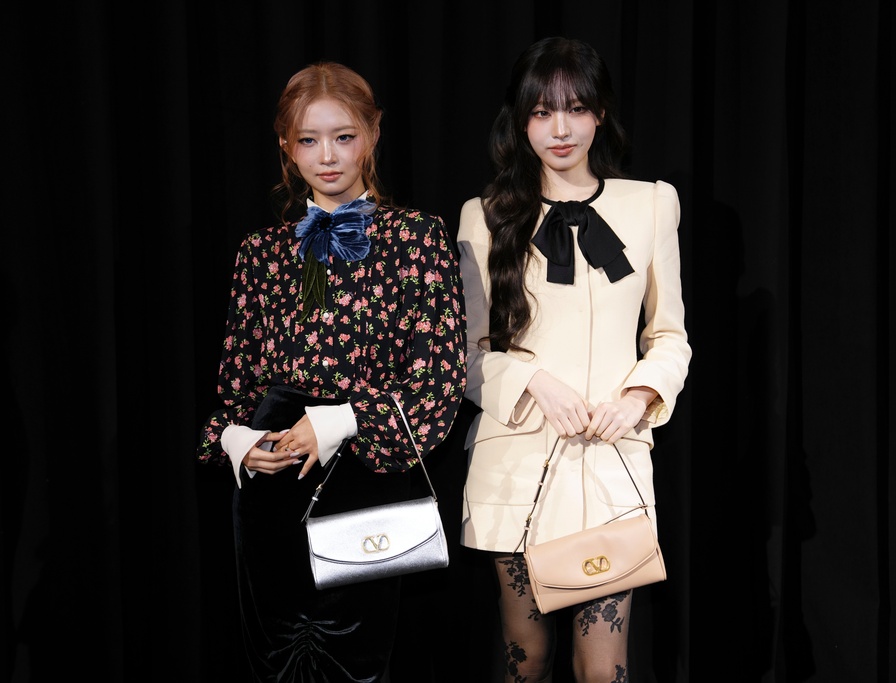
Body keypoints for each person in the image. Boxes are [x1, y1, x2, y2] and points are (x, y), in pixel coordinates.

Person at [197, 61, 467, 682]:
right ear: (287, 149)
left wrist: (338, 420)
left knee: (356, 663)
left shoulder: (416, 238)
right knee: (271, 663)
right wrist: (240, 442)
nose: (327, 156)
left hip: (363, 479)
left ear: (372, 134)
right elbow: (232, 396)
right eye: (308, 140)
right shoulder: (261, 251)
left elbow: (437, 388)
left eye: (343, 136)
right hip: (269, 491)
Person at [457, 37, 691, 682]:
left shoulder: (649, 203)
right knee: (525, 659)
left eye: (577, 108)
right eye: (540, 112)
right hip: (517, 463)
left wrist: (638, 397)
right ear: (520, 120)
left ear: (600, 115)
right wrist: (534, 380)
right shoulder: (484, 216)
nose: (560, 129)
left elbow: (669, 334)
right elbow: (470, 356)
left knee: (603, 668)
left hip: (610, 465)